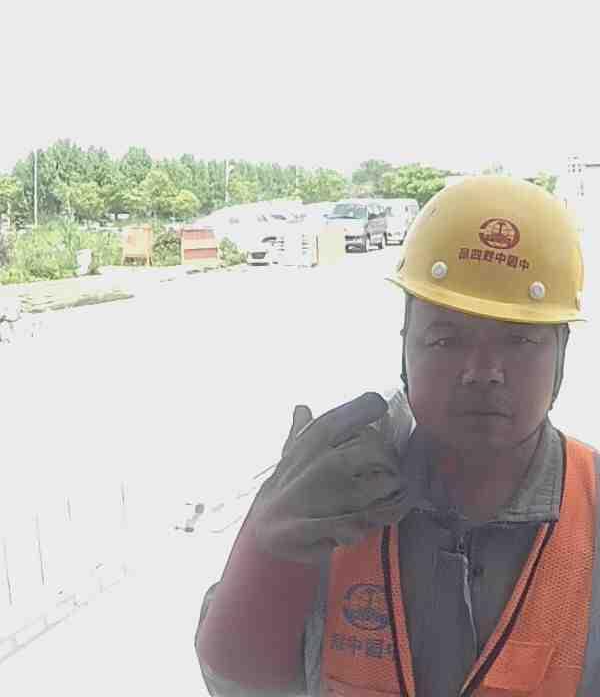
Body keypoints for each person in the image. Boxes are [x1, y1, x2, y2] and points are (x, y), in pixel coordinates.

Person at [195, 176, 600, 696]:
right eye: (446, 339)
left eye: (519, 341)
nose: (483, 372)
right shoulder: (334, 496)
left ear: (561, 354)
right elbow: (238, 686)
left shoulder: (592, 505)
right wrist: (266, 553)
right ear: (405, 346)